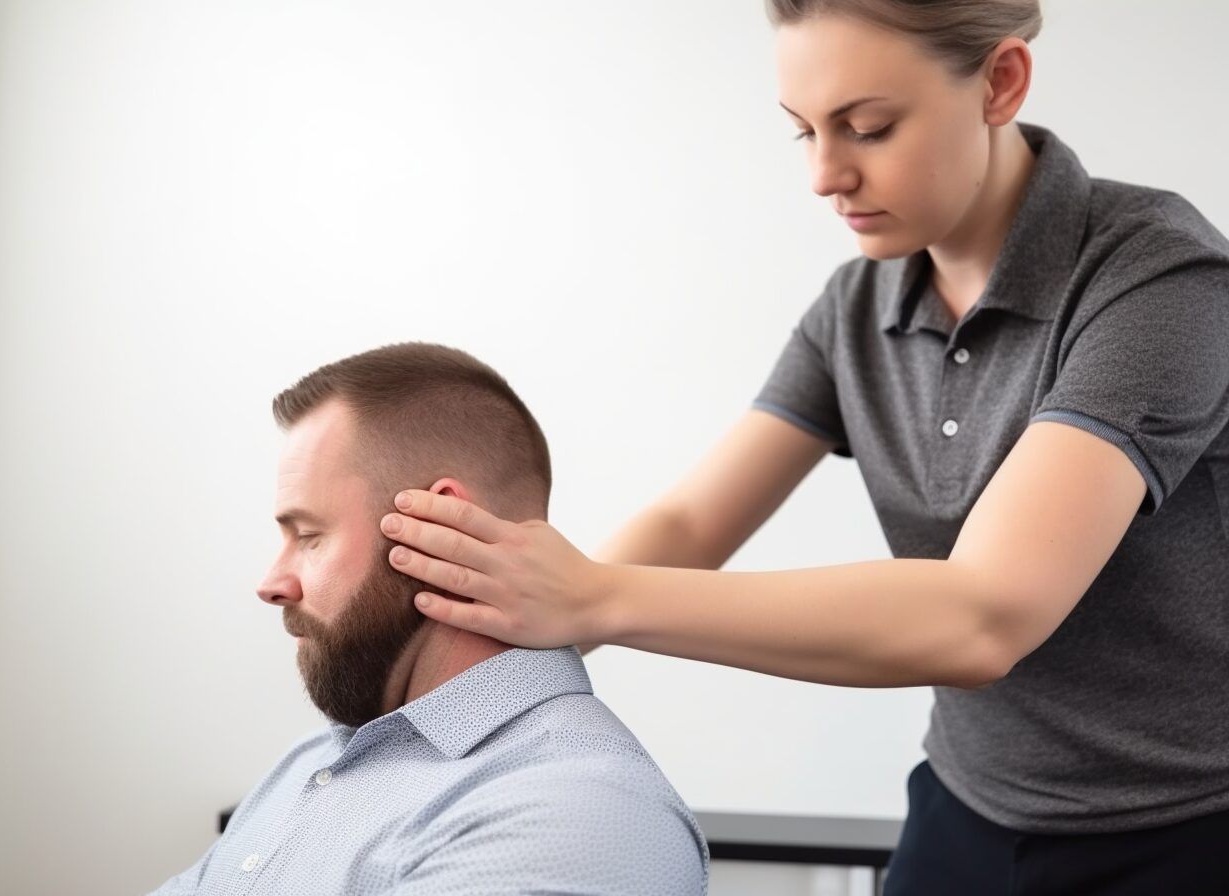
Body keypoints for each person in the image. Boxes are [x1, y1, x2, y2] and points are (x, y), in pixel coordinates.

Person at [375, 2, 1229, 893]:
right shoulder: (856, 307)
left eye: (869, 127)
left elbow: (984, 617)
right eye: (804, 132)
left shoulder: (1162, 281)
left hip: (1182, 830)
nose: (825, 175)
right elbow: (691, 520)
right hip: (968, 805)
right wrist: (488, 647)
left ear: (1000, 83)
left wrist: (591, 598)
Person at [149, 343, 709, 895]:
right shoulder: (316, 762)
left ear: (444, 530)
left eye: (310, 537)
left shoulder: (575, 811)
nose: (272, 584)